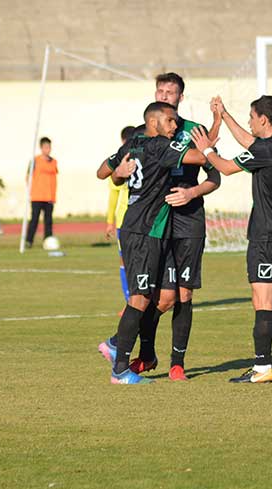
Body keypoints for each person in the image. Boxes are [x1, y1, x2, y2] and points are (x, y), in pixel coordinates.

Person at [96, 101, 207, 384]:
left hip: (150, 230)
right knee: (140, 298)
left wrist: (118, 172)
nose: (175, 126)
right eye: (170, 121)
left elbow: (101, 171)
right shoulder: (160, 146)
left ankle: (117, 347)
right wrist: (207, 144)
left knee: (157, 296)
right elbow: (199, 157)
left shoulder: (131, 144)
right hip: (142, 231)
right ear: (154, 122)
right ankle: (120, 368)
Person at [191, 95, 272, 384]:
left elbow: (225, 167)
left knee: (262, 300)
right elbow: (250, 142)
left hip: (266, 235)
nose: (249, 122)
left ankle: (261, 368)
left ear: (263, 119)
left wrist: (206, 149)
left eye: (251, 117)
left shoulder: (265, 151)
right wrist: (224, 115)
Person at [105, 125, 136, 315]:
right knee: (126, 261)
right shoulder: (120, 164)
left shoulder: (144, 160)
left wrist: (110, 221)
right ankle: (130, 301)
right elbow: (114, 193)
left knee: (132, 261)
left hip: (135, 220)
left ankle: (136, 301)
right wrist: (110, 221)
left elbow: (113, 196)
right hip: (124, 221)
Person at [26, 137, 58, 248]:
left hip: (49, 197)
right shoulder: (35, 161)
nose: (47, 149)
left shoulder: (54, 162)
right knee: (34, 220)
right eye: (45, 147)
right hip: (37, 196)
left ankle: (48, 241)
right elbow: (28, 177)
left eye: (49, 147)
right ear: (41, 148)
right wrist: (30, 190)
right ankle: (29, 241)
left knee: (48, 221)